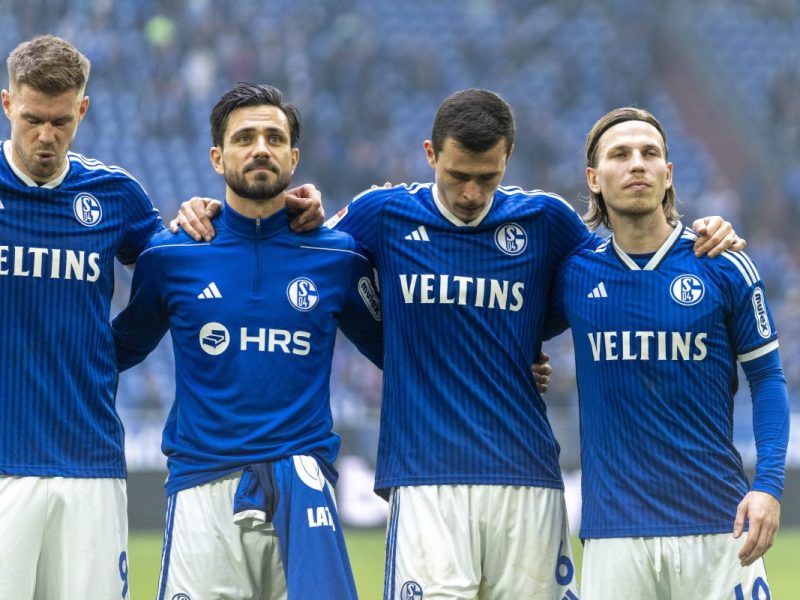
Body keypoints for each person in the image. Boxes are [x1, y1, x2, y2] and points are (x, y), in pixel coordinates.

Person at [178, 89, 742, 599]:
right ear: (430, 154)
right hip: (426, 482)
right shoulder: (383, 214)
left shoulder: (546, 219)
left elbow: (618, 273)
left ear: (508, 158)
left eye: (487, 177)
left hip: (528, 480)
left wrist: (699, 234)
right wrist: (211, 214)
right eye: (457, 176)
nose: (471, 193)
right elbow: (303, 252)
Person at [0, 35, 322, 600]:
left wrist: (211, 212)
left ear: (82, 110)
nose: (46, 136)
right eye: (32, 119)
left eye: (60, 121)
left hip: (90, 460)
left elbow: (181, 265)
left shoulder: (113, 195)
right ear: (7, 105)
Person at [112, 82, 383, 600]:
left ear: (294, 157)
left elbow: (404, 352)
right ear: (217, 157)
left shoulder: (339, 257)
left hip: (302, 483)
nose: (260, 148)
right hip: (202, 487)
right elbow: (117, 351)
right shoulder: (170, 256)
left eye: (274, 138)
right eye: (244, 138)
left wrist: (514, 360)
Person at [547, 107, 789, 599]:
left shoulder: (722, 263)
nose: (637, 163)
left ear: (669, 172)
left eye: (650, 153)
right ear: (593, 179)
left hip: (718, 526)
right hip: (614, 535)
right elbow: (508, 332)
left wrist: (767, 486)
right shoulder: (572, 274)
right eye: (620, 154)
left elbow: (768, 379)